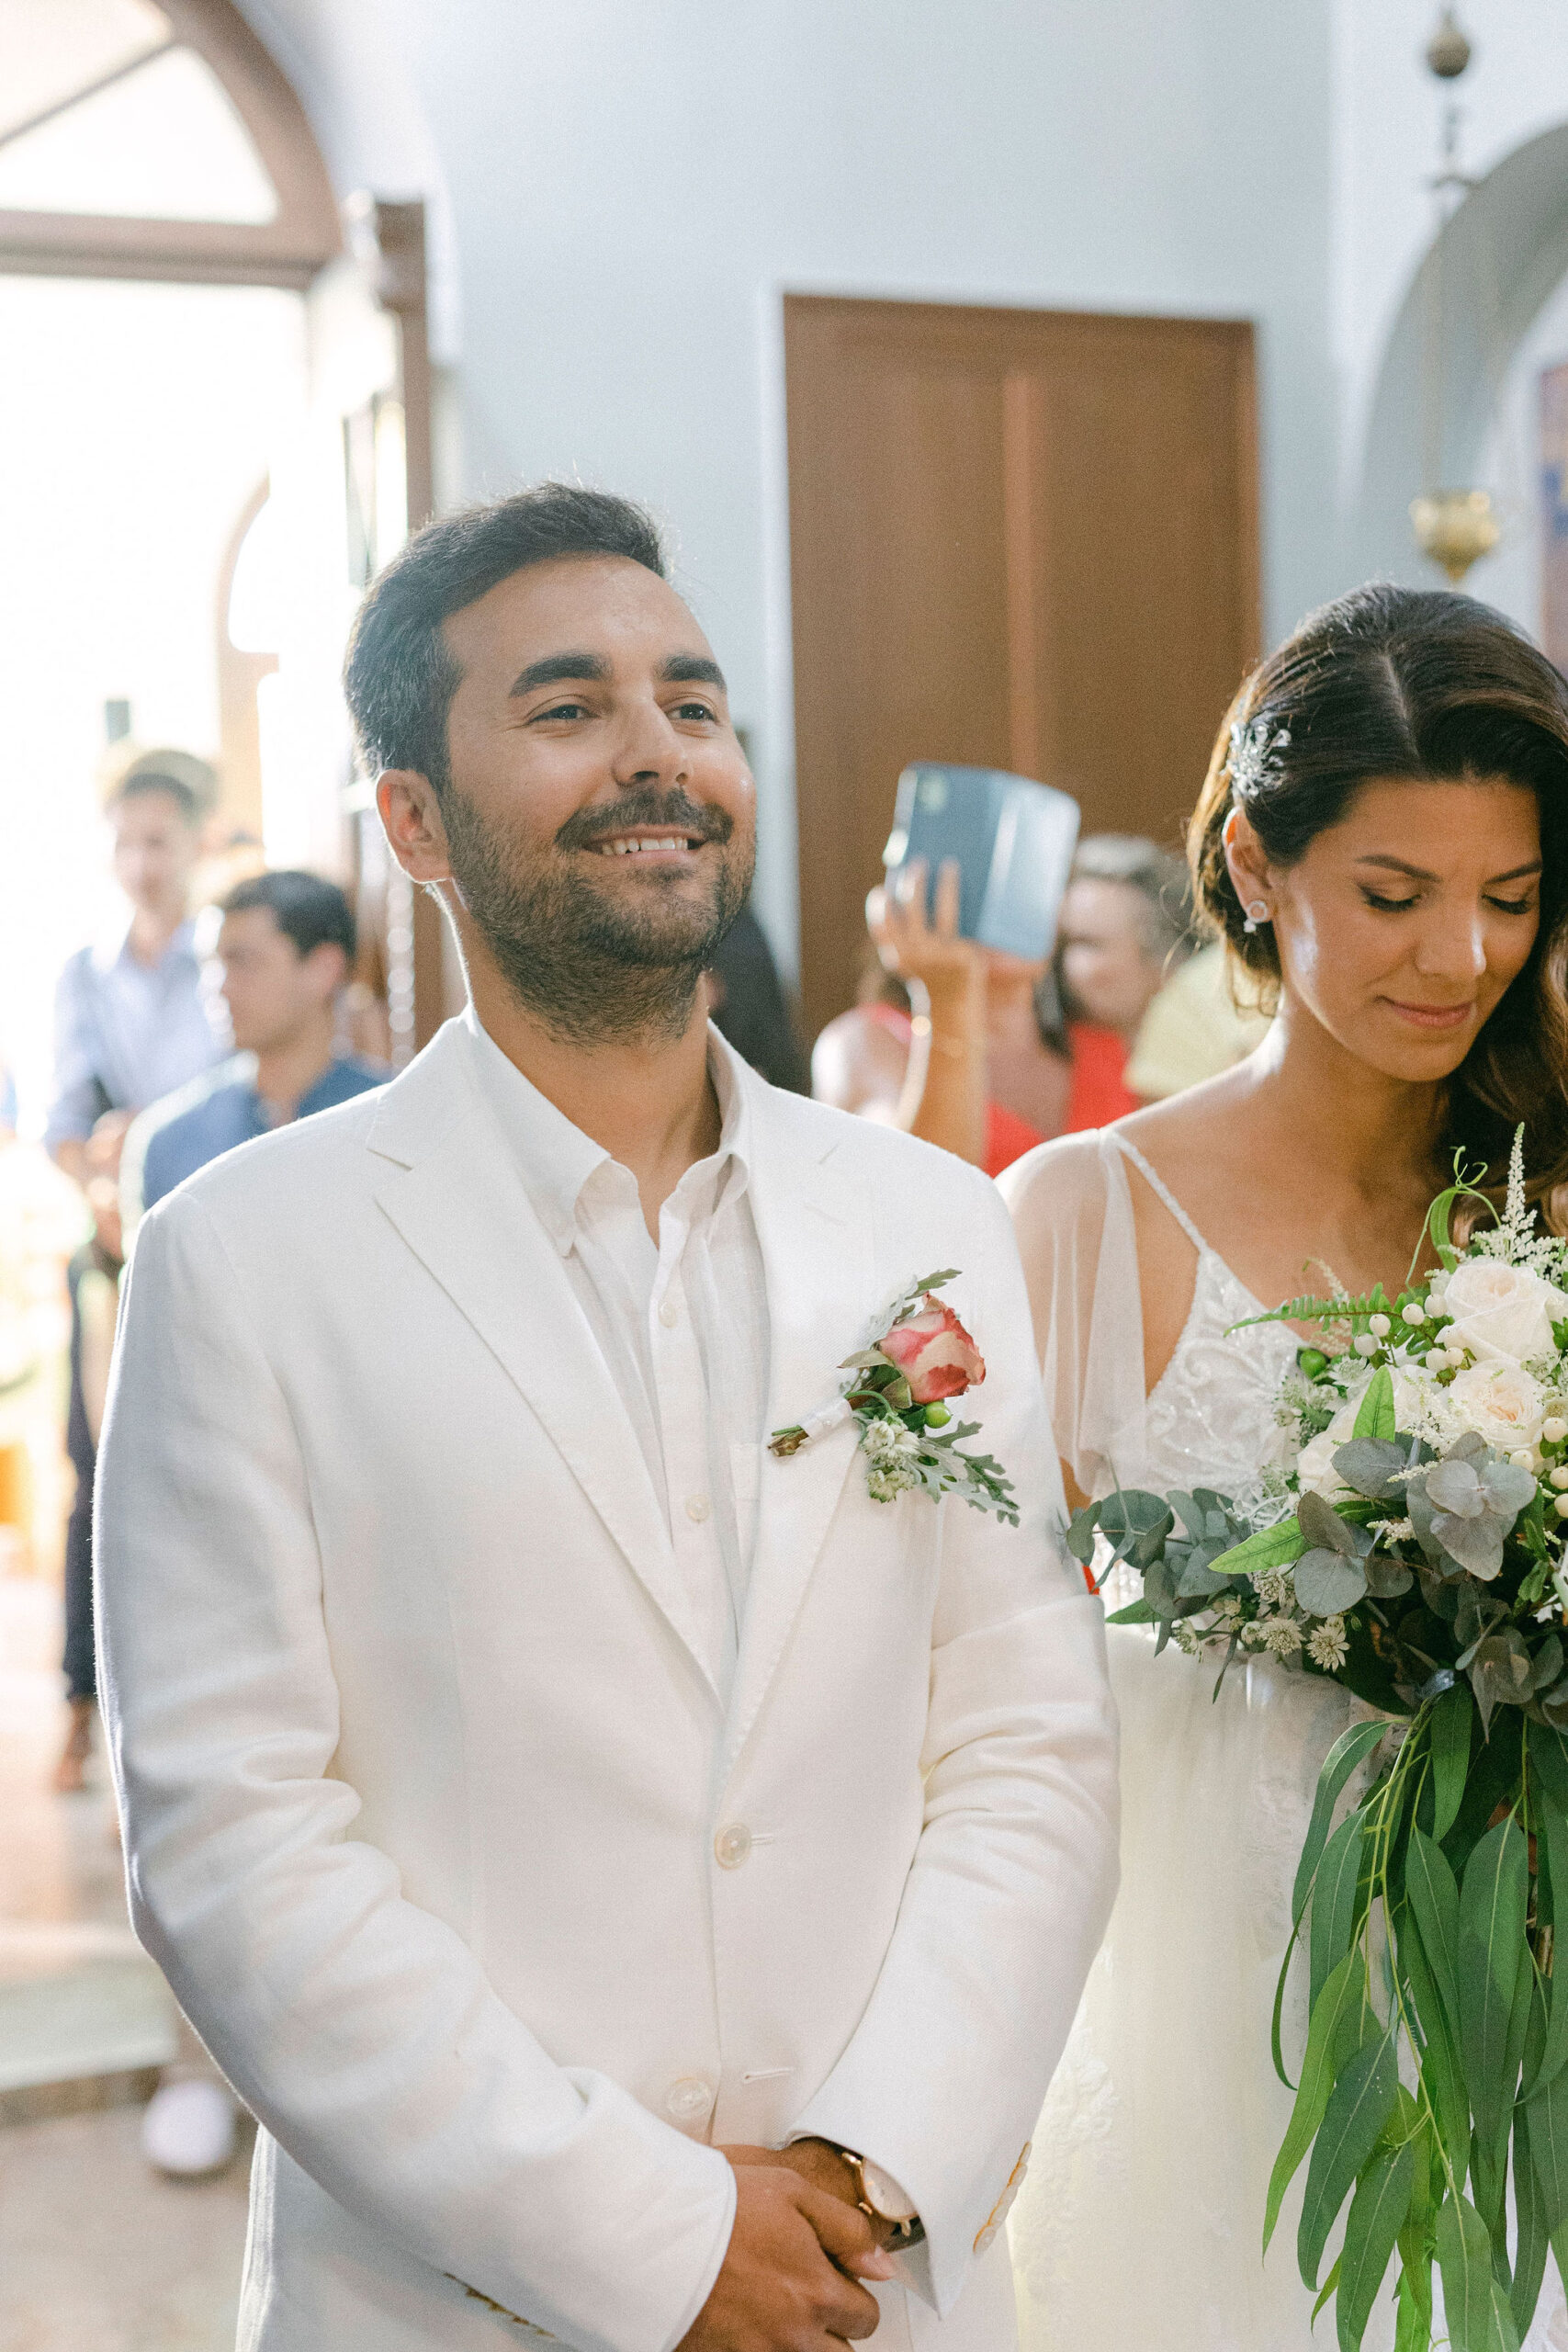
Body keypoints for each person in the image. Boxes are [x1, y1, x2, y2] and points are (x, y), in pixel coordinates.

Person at [96, 484, 1118, 2352]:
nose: (658, 752)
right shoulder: (244, 1255)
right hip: (452, 2292)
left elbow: (1028, 1738)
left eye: (694, 704)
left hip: (871, 2281)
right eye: (568, 709)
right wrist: (651, 2233)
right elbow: (236, 1842)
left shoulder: (925, 1222)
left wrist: (879, 2159)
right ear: (410, 814)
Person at [998, 582, 1568, 2352]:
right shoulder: (1085, 1219)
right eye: (1390, 896)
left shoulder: (1543, 1200)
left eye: (1511, 900)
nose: (1457, 956)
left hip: (1510, 2015)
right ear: (1253, 863)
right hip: (1201, 2020)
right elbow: (956, 1687)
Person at [47, 750, 224, 1793]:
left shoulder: (227, 955)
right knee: (96, 1467)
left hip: (211, 1226)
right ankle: (82, 1699)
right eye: (125, 842)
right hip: (116, 1240)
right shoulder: (85, 970)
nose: (141, 862)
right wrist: (101, 1185)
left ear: (197, 842)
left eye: (159, 839)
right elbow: (66, 1116)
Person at [815, 834, 1192, 1171]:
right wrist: (946, 997)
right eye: (977, 889)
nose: (1006, 907)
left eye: (1023, 887)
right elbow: (911, 1183)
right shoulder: (865, 1042)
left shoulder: (1105, 1047)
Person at [122, 869, 386, 1230]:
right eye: (209, 964)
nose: (218, 988)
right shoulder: (169, 1140)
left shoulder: (393, 1117)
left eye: (241, 961)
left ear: (324, 969)